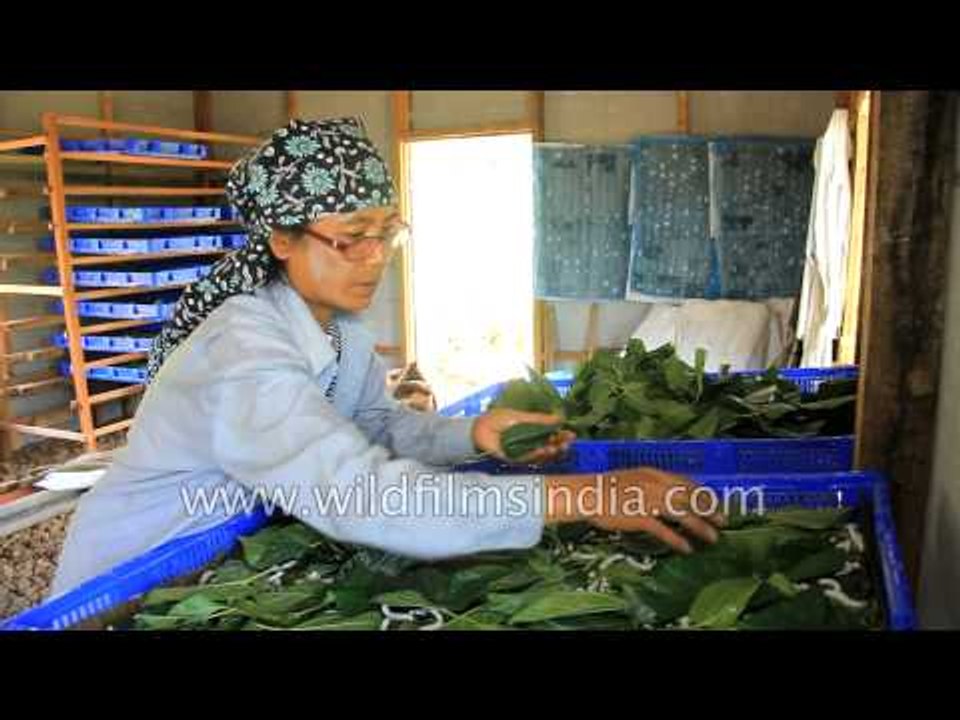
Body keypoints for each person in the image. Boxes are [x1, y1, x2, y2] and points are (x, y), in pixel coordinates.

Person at [50, 118, 722, 597]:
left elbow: (378, 427)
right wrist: (589, 495)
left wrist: (472, 434)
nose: (376, 258)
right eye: (352, 238)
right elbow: (363, 494)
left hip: (229, 562)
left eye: (386, 233)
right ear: (283, 240)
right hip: (131, 579)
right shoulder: (242, 351)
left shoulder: (340, 330)